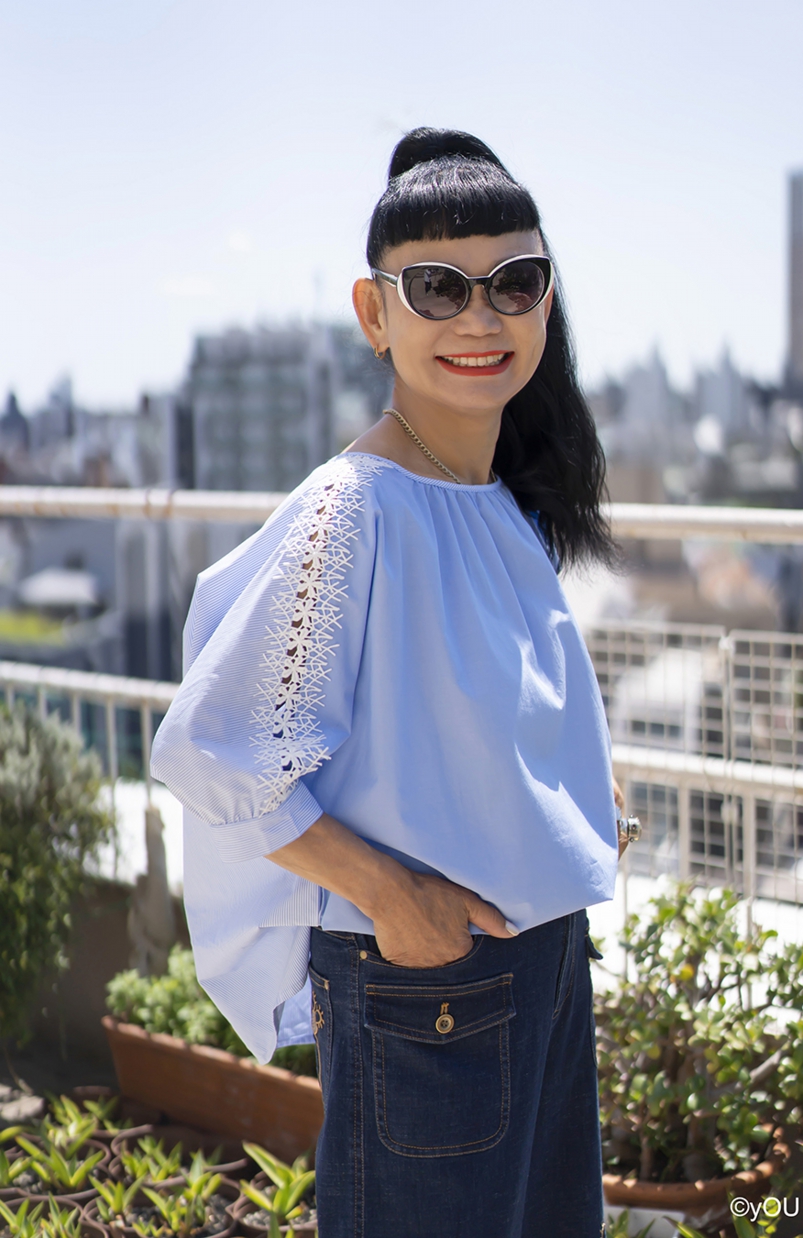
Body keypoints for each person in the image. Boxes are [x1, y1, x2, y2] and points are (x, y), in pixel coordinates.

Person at [151, 126, 624, 1238]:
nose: (480, 317)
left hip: (537, 961)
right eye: (437, 288)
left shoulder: (493, 496)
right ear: (375, 315)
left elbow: (467, 715)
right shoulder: (351, 508)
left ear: (545, 302)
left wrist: (566, 802)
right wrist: (392, 899)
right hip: (430, 986)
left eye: (513, 282)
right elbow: (214, 750)